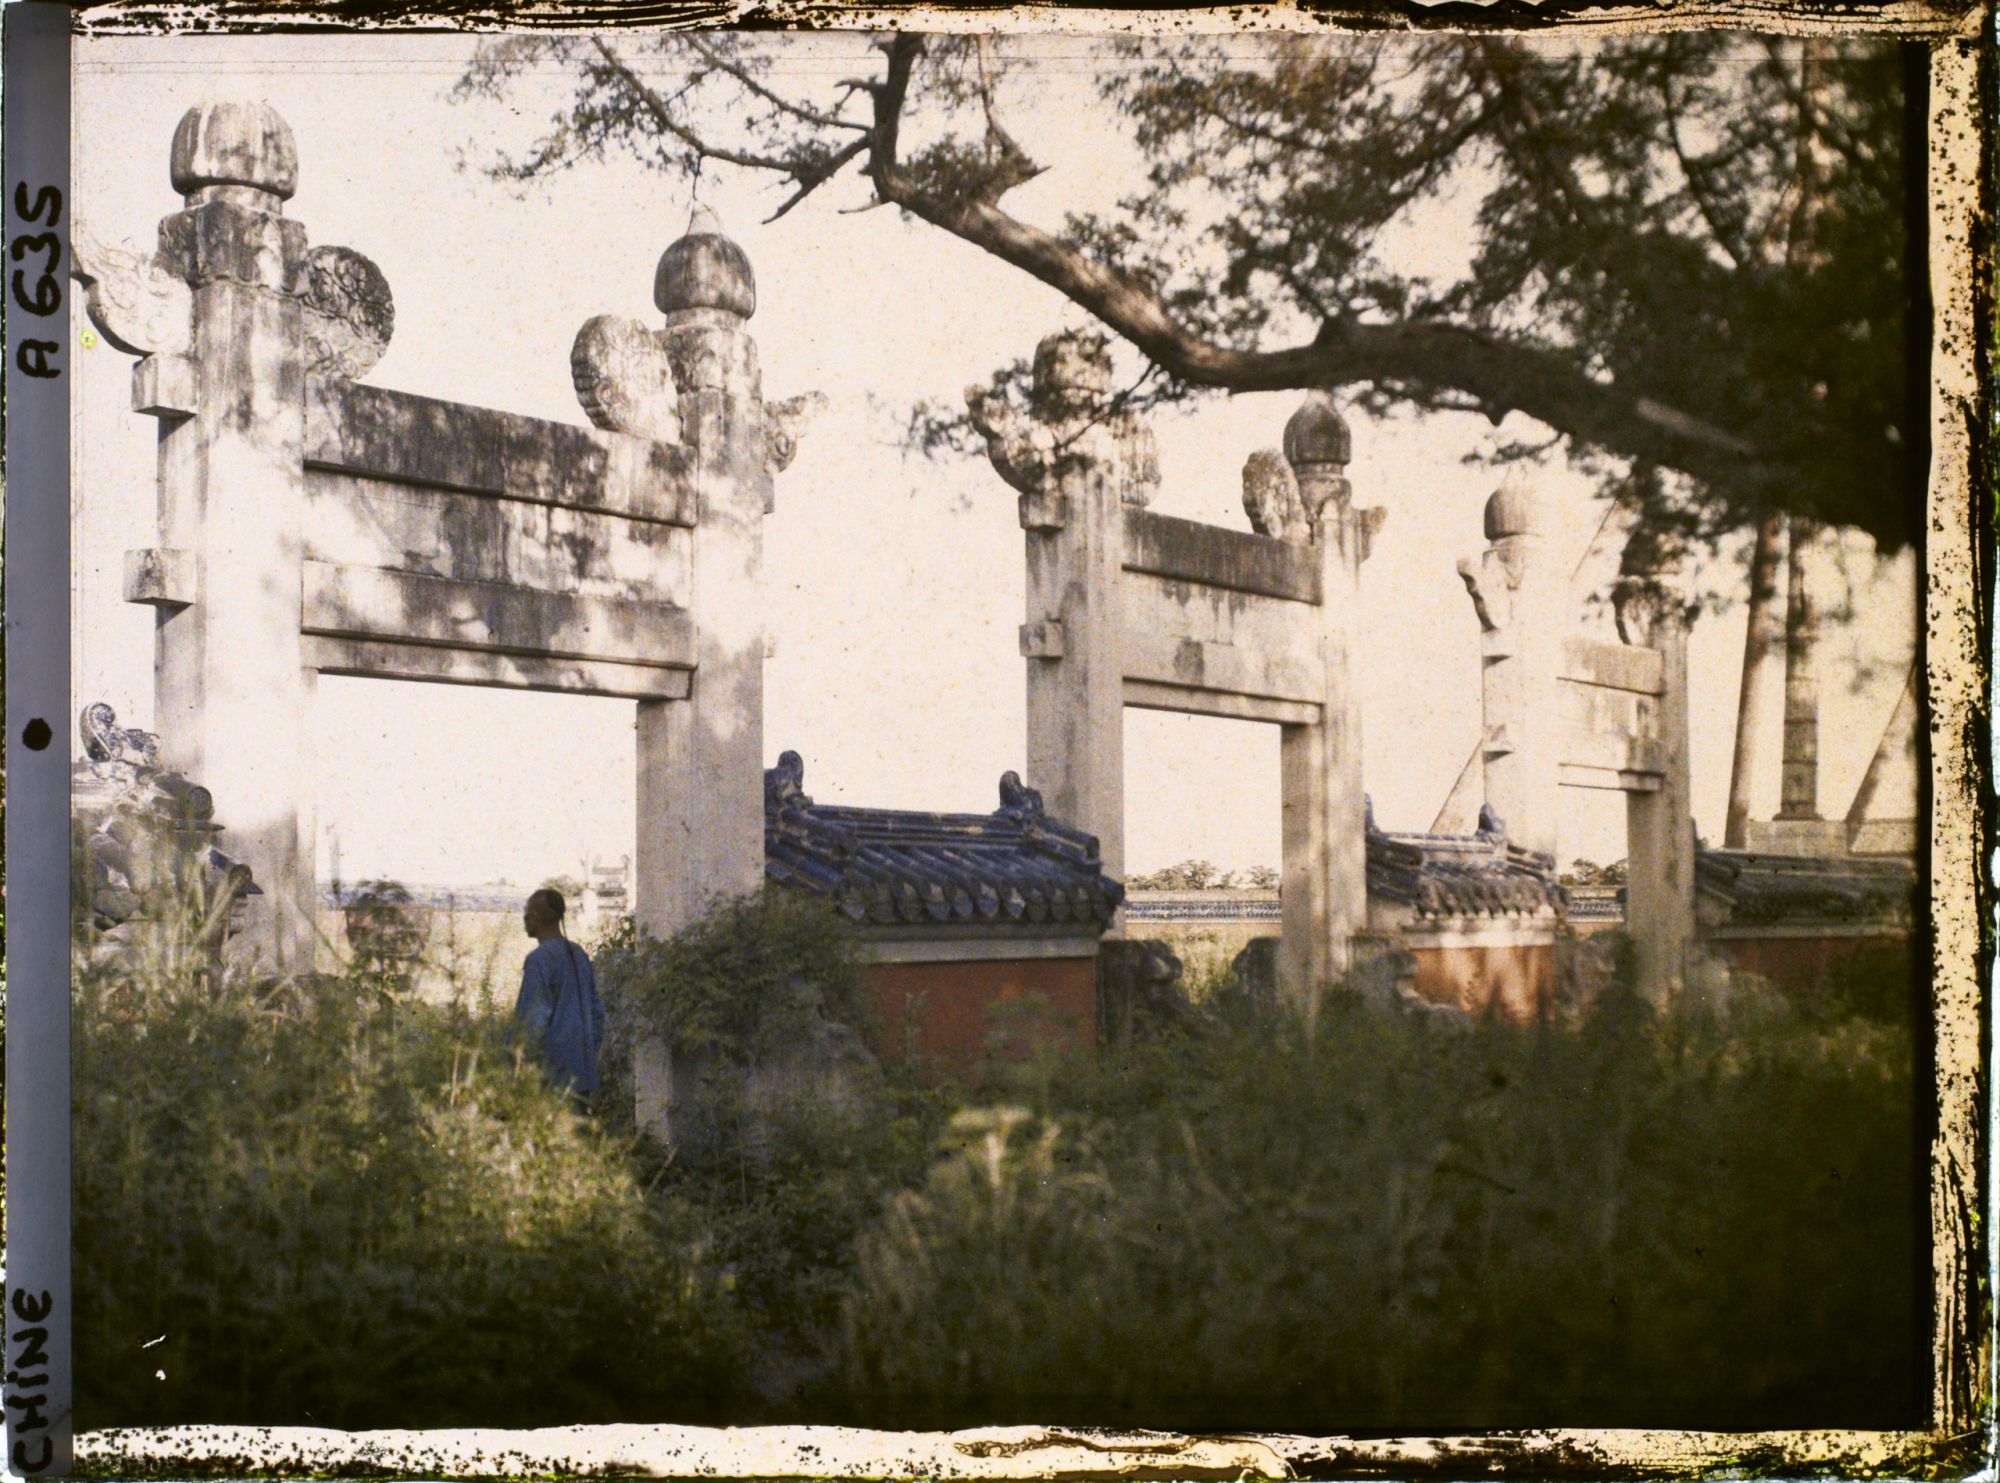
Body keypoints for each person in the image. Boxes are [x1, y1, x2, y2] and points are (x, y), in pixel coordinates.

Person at [513, 887, 605, 1099]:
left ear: (535, 916)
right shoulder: (579, 954)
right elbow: (597, 1015)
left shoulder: (538, 960)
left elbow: (531, 1022)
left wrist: (519, 1068)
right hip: (583, 1074)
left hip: (551, 1077)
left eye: (526, 914)